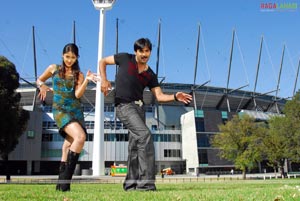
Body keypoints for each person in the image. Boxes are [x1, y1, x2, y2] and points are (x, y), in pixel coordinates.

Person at [99, 38, 192, 191]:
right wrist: (104, 80)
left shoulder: (150, 74)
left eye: (147, 51)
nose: (144, 54)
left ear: (150, 52)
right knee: (145, 136)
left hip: (139, 108)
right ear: (136, 51)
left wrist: (175, 96)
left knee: (135, 146)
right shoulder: (124, 58)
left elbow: (160, 96)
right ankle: (146, 184)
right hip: (124, 105)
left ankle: (131, 184)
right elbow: (102, 61)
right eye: (141, 51)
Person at [37, 43, 99, 191]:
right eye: (67, 57)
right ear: (62, 56)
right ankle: (65, 184)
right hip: (60, 110)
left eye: (72, 57)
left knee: (67, 145)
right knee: (80, 137)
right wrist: (42, 85)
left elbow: (77, 95)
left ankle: (60, 185)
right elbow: (39, 79)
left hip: (76, 111)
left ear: (77, 57)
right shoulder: (54, 69)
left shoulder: (79, 74)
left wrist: (86, 81)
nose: (69, 60)